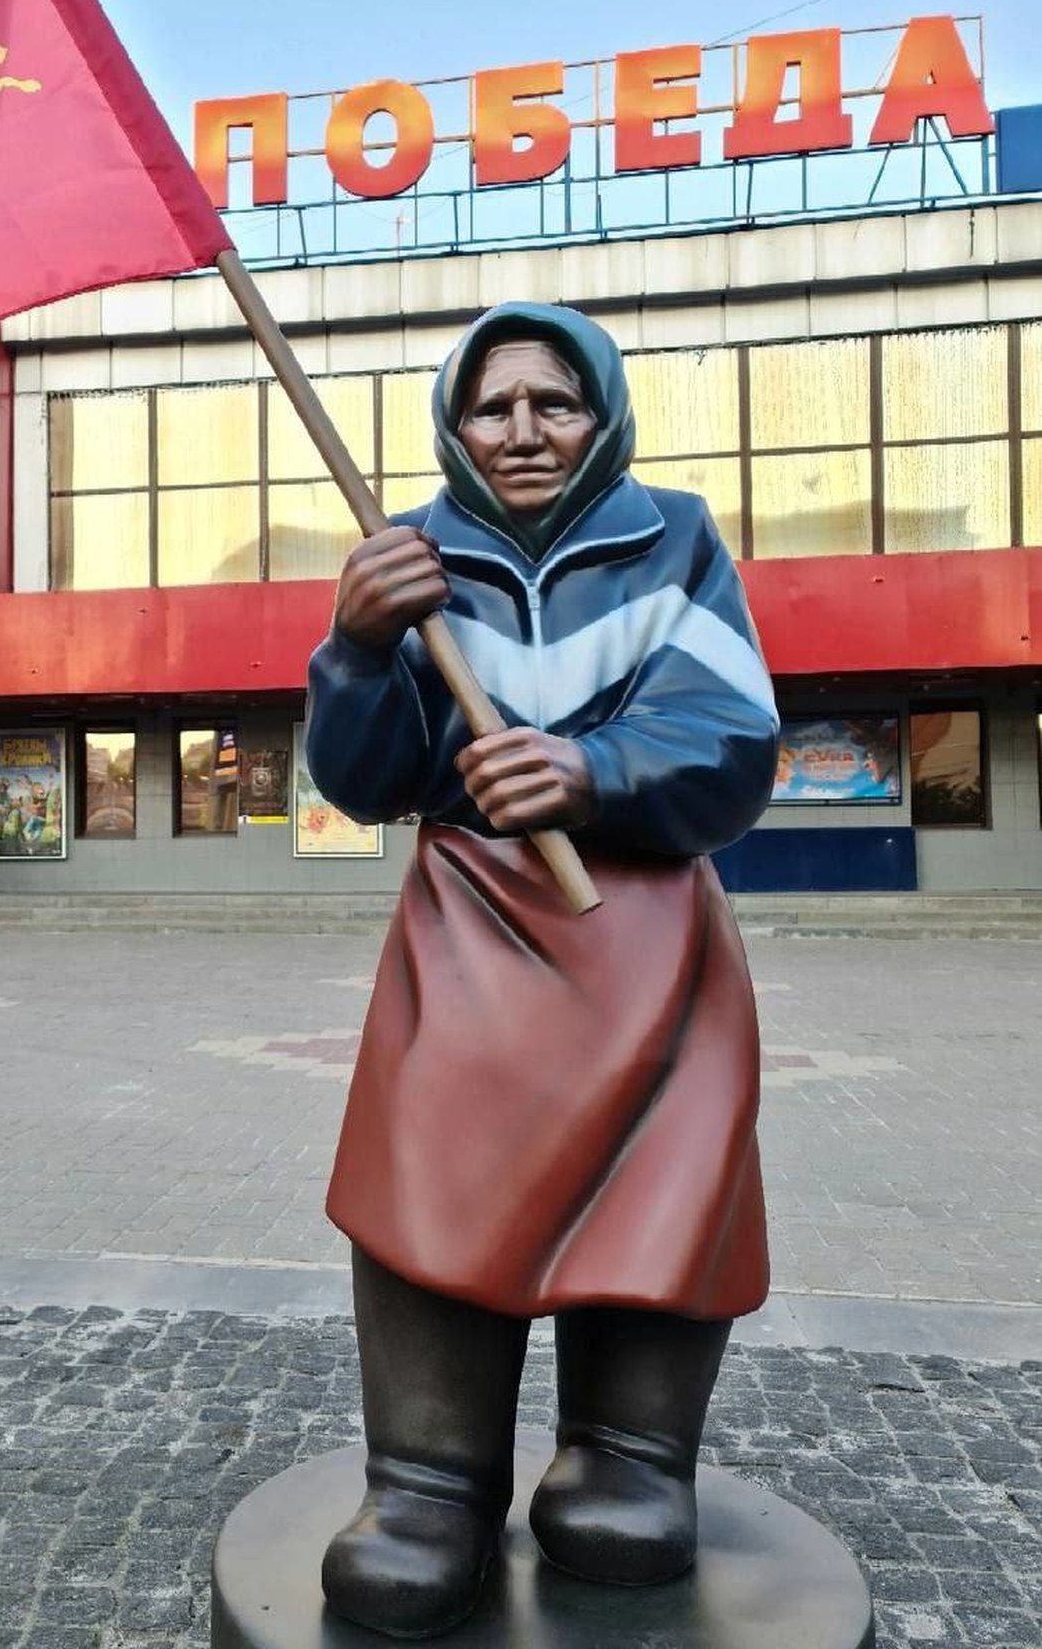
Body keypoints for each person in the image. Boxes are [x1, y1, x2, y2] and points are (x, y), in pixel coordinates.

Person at [304, 302, 780, 1638]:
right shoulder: (413, 558)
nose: (521, 430)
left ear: (604, 411)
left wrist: (595, 770)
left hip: (648, 933)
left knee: (663, 1187)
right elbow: (362, 778)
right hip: (469, 931)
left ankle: (631, 1452)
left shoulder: (669, 539)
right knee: (430, 1176)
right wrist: (353, 653)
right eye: (491, 405)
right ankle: (427, 1477)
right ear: (453, 425)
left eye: (553, 402)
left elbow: (734, 736)